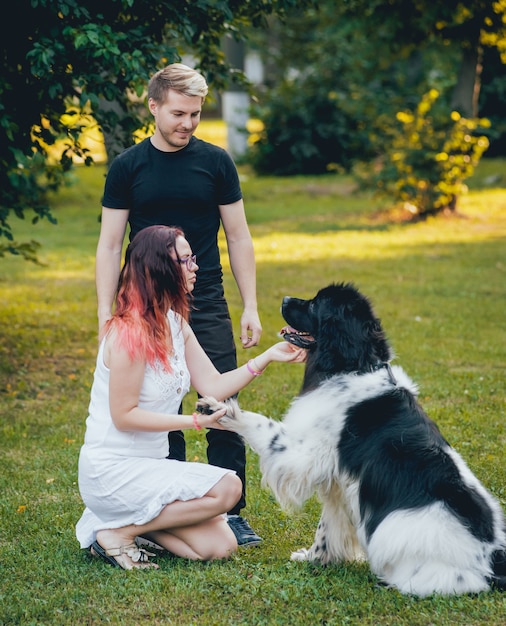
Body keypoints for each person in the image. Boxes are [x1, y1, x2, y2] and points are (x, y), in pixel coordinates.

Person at [95, 62, 263, 546]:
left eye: (195, 114)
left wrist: (250, 304)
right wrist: (107, 313)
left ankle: (232, 512)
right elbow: (109, 246)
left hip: (203, 298)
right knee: (159, 404)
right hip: (145, 303)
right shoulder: (128, 166)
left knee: (220, 403)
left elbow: (238, 234)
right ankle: (168, 506)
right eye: (178, 113)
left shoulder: (215, 163)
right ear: (153, 106)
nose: (187, 123)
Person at [77, 226, 306, 570]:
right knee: (229, 487)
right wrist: (195, 421)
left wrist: (267, 357)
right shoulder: (129, 331)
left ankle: (115, 525)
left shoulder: (174, 323)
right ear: (159, 269)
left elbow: (212, 384)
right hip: (113, 470)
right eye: (185, 260)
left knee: (219, 545)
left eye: (192, 258)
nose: (194, 267)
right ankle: (119, 531)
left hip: (151, 467)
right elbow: (124, 415)